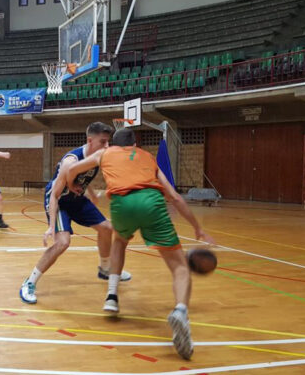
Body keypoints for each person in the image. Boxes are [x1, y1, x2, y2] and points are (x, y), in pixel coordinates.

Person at [65, 127, 215, 360]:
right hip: (151, 202)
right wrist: (198, 228)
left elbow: (71, 168)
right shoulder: (148, 157)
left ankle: (112, 297)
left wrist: (73, 185)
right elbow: (174, 196)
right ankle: (181, 311)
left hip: (122, 203)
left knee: (120, 242)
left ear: (113, 144)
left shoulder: (105, 154)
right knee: (179, 266)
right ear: (134, 145)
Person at [19, 122, 132, 305]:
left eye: (108, 142)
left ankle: (104, 269)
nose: (107, 146)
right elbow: (54, 196)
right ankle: (29, 283)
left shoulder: (97, 156)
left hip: (76, 199)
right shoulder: (69, 162)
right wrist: (50, 226)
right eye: (103, 142)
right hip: (59, 200)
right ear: (89, 140)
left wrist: (93, 194)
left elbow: (85, 177)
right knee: (63, 242)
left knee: (106, 228)